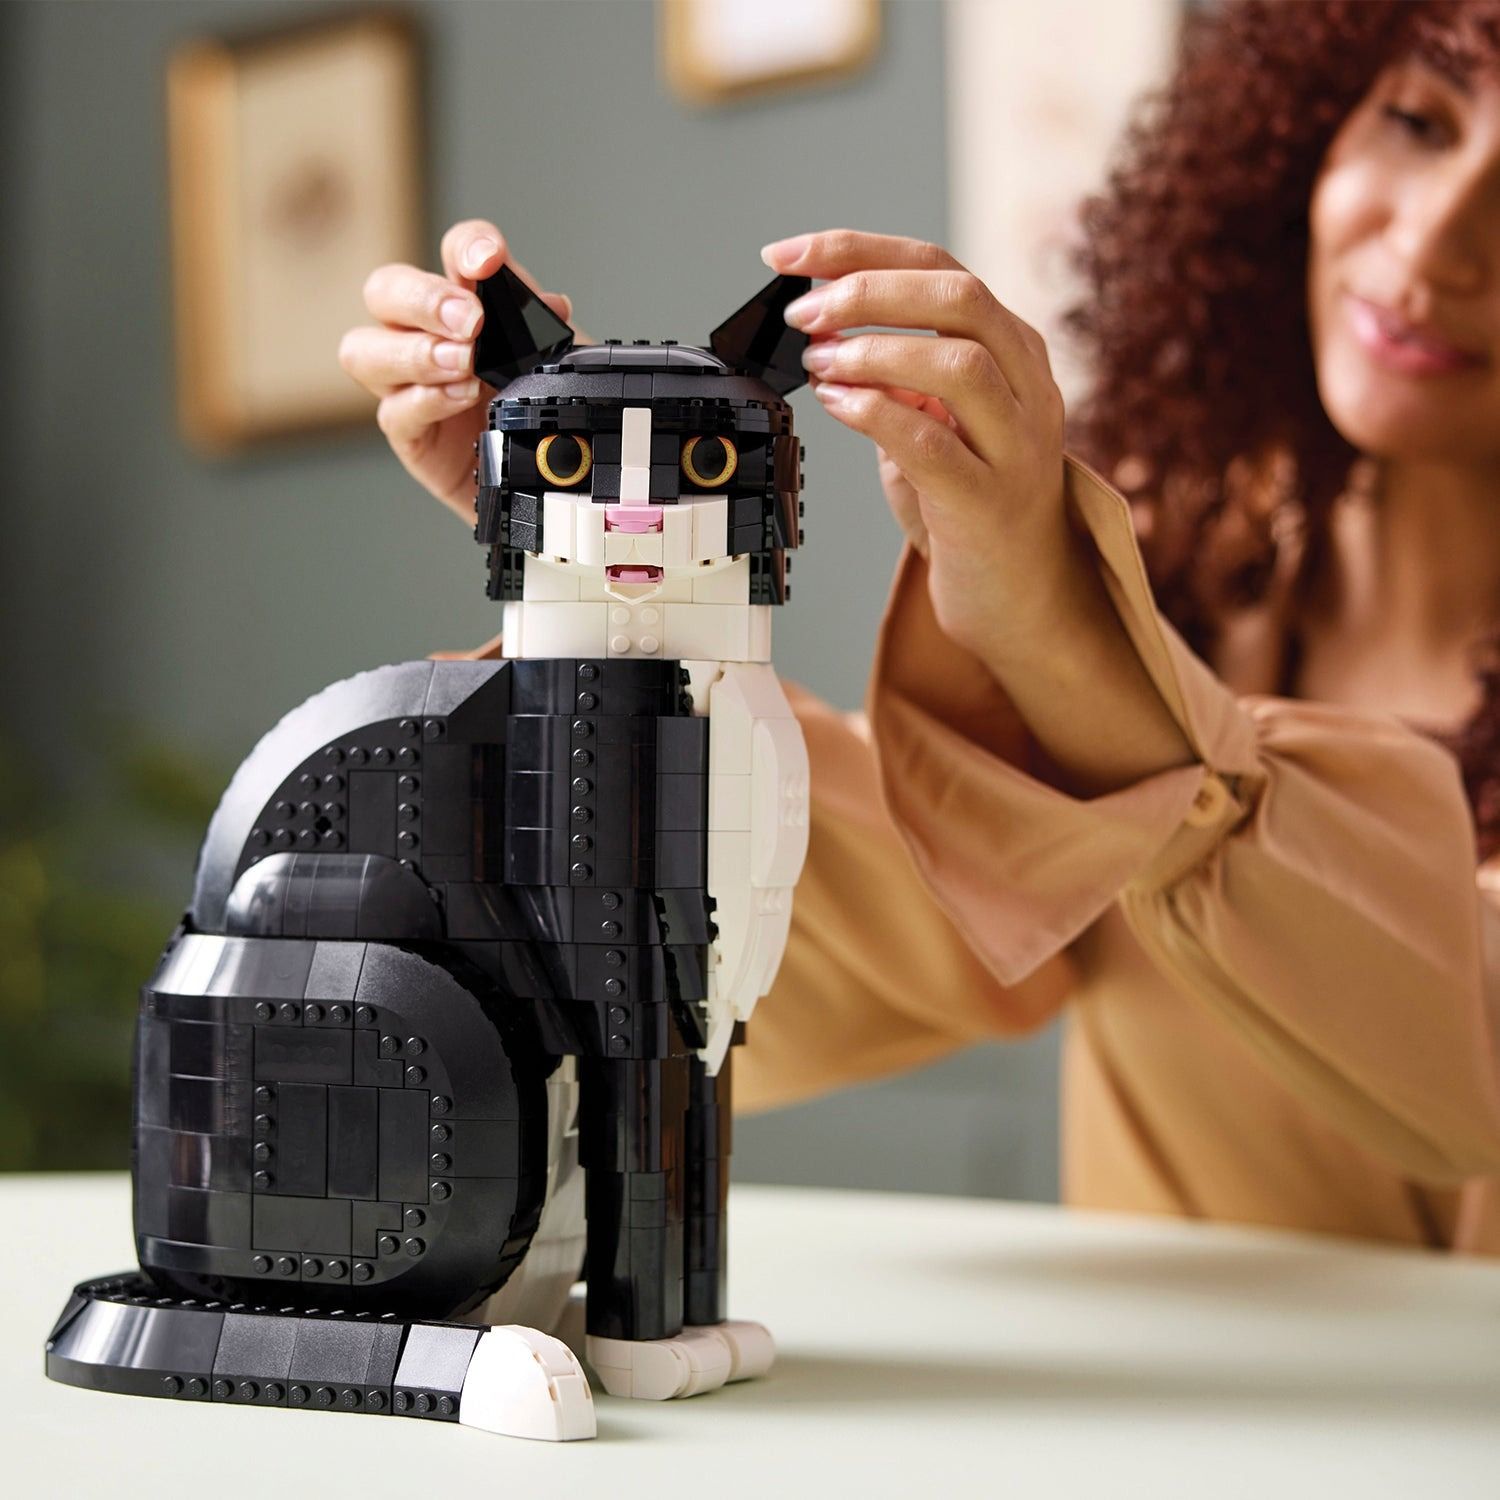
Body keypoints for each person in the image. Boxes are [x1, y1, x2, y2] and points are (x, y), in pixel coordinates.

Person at [338, 0, 1500, 1254]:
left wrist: (1052, 622)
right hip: (1144, 1385)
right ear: (1306, 131)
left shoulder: (1101, 591)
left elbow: (1461, 1060)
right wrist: (610, 604)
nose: (1439, 240)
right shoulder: (1190, 554)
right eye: (1418, 120)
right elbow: (816, 941)